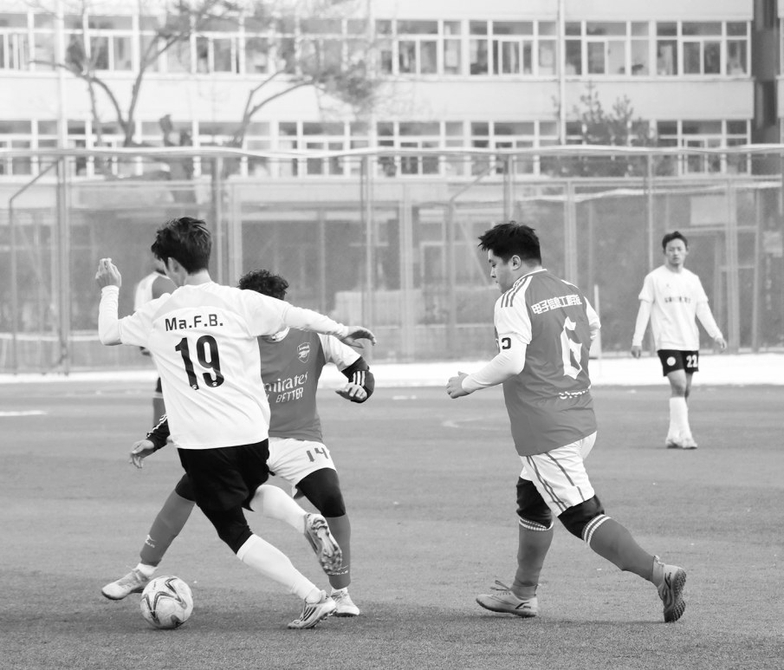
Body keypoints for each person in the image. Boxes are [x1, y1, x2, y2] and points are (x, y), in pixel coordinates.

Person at [95, 216, 376, 629]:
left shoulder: (159, 312)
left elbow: (107, 333)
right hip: (252, 434)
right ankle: (303, 519)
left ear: (172, 265)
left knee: (233, 530)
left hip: (202, 441)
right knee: (252, 491)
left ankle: (312, 596)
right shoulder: (239, 302)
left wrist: (110, 288)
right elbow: (296, 314)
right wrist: (344, 330)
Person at [446, 221, 687, 623]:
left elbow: (511, 361)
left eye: (494, 264)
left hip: (546, 429)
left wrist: (466, 383)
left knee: (582, 515)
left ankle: (661, 574)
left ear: (515, 262)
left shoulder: (512, 299)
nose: (492, 274)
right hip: (581, 417)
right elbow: (592, 326)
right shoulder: (570, 290)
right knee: (531, 497)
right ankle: (523, 593)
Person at [631, 231, 727, 449]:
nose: (675, 253)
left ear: (686, 251)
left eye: (679, 249)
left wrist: (716, 334)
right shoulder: (654, 278)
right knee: (679, 384)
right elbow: (644, 309)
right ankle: (686, 436)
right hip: (667, 342)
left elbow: (702, 309)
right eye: (671, 249)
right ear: (664, 252)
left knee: (685, 390)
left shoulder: (692, 280)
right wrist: (637, 339)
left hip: (689, 342)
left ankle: (673, 435)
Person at [134, 257, 176, 425]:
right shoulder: (148, 283)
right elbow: (139, 311)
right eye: (158, 258)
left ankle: (165, 426)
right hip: (159, 340)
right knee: (167, 377)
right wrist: (143, 343)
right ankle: (160, 425)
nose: (159, 261)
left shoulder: (180, 279)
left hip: (179, 339)